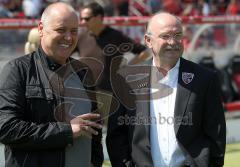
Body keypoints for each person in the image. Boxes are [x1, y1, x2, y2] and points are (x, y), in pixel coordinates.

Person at [106, 12, 226, 167]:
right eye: (165, 36)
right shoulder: (125, 80)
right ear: (148, 41)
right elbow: (116, 135)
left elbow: (216, 134)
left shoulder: (205, 79)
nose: (173, 41)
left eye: (177, 35)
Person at [0, 2, 103, 167]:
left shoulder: (83, 72)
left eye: (74, 31)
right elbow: (6, 128)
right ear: (41, 29)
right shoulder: (17, 70)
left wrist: (95, 162)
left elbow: (95, 128)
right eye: (61, 30)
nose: (69, 38)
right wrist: (66, 131)